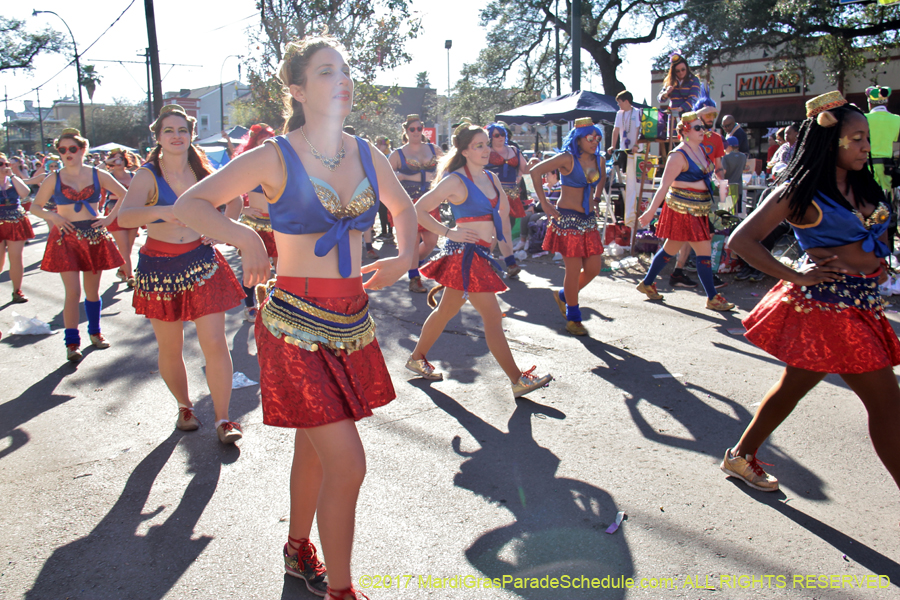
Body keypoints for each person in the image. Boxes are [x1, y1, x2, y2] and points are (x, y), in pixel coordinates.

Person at [175, 34, 418, 600]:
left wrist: (402, 256)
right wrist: (242, 237)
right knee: (348, 463)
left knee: (314, 447)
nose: (343, 81)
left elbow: (403, 207)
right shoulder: (274, 155)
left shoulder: (364, 151)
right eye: (328, 71)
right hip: (293, 326)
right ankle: (340, 588)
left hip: (352, 321)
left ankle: (296, 548)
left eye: (346, 71)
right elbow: (191, 205)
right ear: (298, 89)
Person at [722, 91, 900, 499]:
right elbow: (741, 240)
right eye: (856, 138)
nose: (865, 146)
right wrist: (796, 275)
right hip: (832, 310)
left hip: (863, 304)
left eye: (866, 138)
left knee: (794, 384)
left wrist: (878, 262)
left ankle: (739, 455)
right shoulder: (800, 192)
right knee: (890, 407)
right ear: (829, 139)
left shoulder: (861, 183)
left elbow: (876, 237)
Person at [117, 105, 246, 445]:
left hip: (202, 262)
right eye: (168, 131)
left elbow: (234, 201)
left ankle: (223, 418)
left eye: (182, 131)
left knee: (215, 343)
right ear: (158, 137)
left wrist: (220, 230)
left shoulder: (202, 170)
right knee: (170, 348)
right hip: (158, 269)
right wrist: (163, 211)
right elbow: (126, 217)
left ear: (190, 135)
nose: (176, 136)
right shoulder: (147, 175)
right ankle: (184, 407)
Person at [407, 123, 553, 396]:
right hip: (464, 256)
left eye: (487, 143)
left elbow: (502, 214)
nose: (487, 149)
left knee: (446, 311)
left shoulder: (492, 178)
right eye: (480, 145)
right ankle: (517, 379)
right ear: (464, 151)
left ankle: (417, 357)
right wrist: (450, 232)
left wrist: (501, 250)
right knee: (493, 316)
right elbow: (418, 210)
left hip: (481, 255)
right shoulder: (455, 180)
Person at [30, 128, 126, 362]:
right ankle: (72, 344)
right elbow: (34, 207)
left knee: (92, 292)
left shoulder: (97, 174)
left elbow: (125, 194)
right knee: (73, 292)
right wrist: (53, 217)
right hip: (66, 239)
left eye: (72, 148)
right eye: (62, 150)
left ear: (83, 149)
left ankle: (95, 333)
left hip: (93, 237)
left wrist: (108, 218)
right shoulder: (53, 178)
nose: (67, 153)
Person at [637, 112, 735, 311]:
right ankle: (712, 297)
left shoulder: (700, 150)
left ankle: (647, 283)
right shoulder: (677, 155)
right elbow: (663, 186)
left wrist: (724, 195)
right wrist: (650, 213)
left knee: (670, 249)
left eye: (703, 127)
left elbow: (712, 175)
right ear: (685, 131)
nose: (702, 131)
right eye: (698, 128)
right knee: (703, 249)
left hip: (700, 208)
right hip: (682, 210)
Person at [530, 117, 606, 336]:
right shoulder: (567, 158)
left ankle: (564, 295)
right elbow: (535, 172)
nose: (594, 141)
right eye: (590, 138)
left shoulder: (598, 160)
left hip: (588, 220)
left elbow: (600, 179)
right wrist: (544, 202)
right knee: (572, 270)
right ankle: (574, 318)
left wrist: (597, 198)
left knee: (593, 269)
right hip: (567, 220)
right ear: (578, 139)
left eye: (597, 137)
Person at [668, 86, 729, 290]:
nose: (711, 117)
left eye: (714, 113)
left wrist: (722, 185)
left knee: (696, 236)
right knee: (696, 236)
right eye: (707, 113)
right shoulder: (688, 137)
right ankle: (705, 278)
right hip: (686, 195)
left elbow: (719, 167)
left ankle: (678, 272)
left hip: (707, 193)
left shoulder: (718, 139)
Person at [389, 114, 444, 293]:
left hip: (430, 201)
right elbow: (386, 177)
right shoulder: (397, 154)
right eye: (412, 129)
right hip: (408, 203)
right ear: (406, 131)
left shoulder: (433, 149)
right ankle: (414, 278)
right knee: (412, 241)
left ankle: (413, 266)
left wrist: (407, 175)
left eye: (419, 128)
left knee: (431, 241)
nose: (416, 132)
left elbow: (445, 171)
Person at [233, 123, 278, 321]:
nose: (266, 146)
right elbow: (228, 195)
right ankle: (250, 305)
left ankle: (275, 304)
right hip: (254, 224)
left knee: (282, 269)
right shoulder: (247, 165)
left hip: (276, 224)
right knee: (253, 268)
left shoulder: (278, 164)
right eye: (262, 141)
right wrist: (244, 208)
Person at [485, 122, 528, 270]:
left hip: (511, 195)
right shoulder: (485, 150)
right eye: (496, 135)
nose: (500, 137)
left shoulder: (514, 150)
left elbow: (526, 169)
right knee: (494, 229)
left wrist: (538, 163)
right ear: (490, 136)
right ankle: (506, 263)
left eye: (503, 134)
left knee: (505, 228)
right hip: (491, 194)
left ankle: (504, 263)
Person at [102, 148, 140, 287]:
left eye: (120, 159)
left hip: (131, 213)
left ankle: (122, 270)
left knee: (128, 247)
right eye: (115, 159)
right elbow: (94, 173)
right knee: (124, 247)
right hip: (114, 212)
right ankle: (131, 276)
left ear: (126, 161)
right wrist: (108, 162)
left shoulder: (133, 175)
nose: (118, 162)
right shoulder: (107, 176)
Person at [0, 153, 35, 303]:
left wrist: (12, 175)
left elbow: (25, 193)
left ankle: (17, 291)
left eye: (4, 163)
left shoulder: (13, 179)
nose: (3, 167)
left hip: (15, 221)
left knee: (16, 258)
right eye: (0, 164)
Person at [607, 90, 643, 229]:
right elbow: (616, 130)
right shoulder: (619, 114)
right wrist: (613, 145)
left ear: (626, 101)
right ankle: (625, 212)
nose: (618, 105)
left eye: (620, 102)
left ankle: (633, 213)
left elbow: (640, 129)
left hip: (635, 151)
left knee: (634, 181)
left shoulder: (637, 112)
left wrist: (636, 144)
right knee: (624, 181)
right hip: (623, 150)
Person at [864, 85, 900, 193]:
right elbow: (894, 138)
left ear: (869, 103)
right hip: (886, 168)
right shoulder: (897, 119)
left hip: (866, 166)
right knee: (886, 201)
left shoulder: (862, 118)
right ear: (887, 103)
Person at [658, 52, 701, 137]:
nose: (681, 72)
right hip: (673, 119)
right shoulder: (670, 81)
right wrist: (666, 93)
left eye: (683, 69)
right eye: (677, 71)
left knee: (687, 140)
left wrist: (680, 109)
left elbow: (693, 99)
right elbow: (660, 99)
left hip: (688, 117)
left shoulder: (693, 80)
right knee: (674, 141)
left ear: (687, 68)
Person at [373, 136, 394, 241]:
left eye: (378, 144)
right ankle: (384, 231)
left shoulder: (389, 156)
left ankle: (389, 232)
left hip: (387, 188)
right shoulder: (378, 156)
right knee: (382, 211)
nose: (376, 146)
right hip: (380, 188)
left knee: (387, 211)